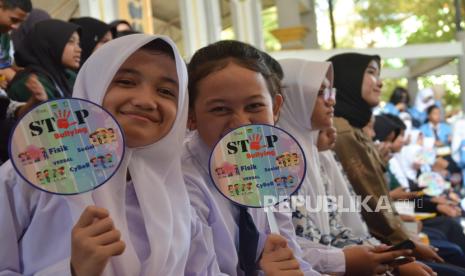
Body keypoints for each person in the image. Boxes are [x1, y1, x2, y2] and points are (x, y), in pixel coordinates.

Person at [0, 34, 218, 275]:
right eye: (126, 82)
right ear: (95, 83)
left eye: (166, 91)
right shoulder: (30, 175)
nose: (146, 101)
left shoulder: (178, 196)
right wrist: (72, 270)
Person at [185, 40, 319, 275]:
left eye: (255, 106)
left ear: (276, 108)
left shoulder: (267, 166)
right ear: (191, 115)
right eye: (220, 109)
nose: (241, 124)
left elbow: (291, 258)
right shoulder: (184, 183)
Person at [329, 52, 465, 275]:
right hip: (373, 248)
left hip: (381, 241)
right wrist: (406, 250)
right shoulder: (344, 134)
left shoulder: (353, 131)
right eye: (370, 73)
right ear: (348, 79)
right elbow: (372, 204)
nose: (380, 82)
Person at [8, 19, 81, 101]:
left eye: (78, 43)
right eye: (71, 41)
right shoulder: (28, 83)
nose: (79, 49)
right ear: (50, 44)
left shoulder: (68, 76)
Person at [0, 0, 32, 89]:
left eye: (21, 22)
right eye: (14, 20)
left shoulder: (5, 37)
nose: (16, 27)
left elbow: (7, 64)